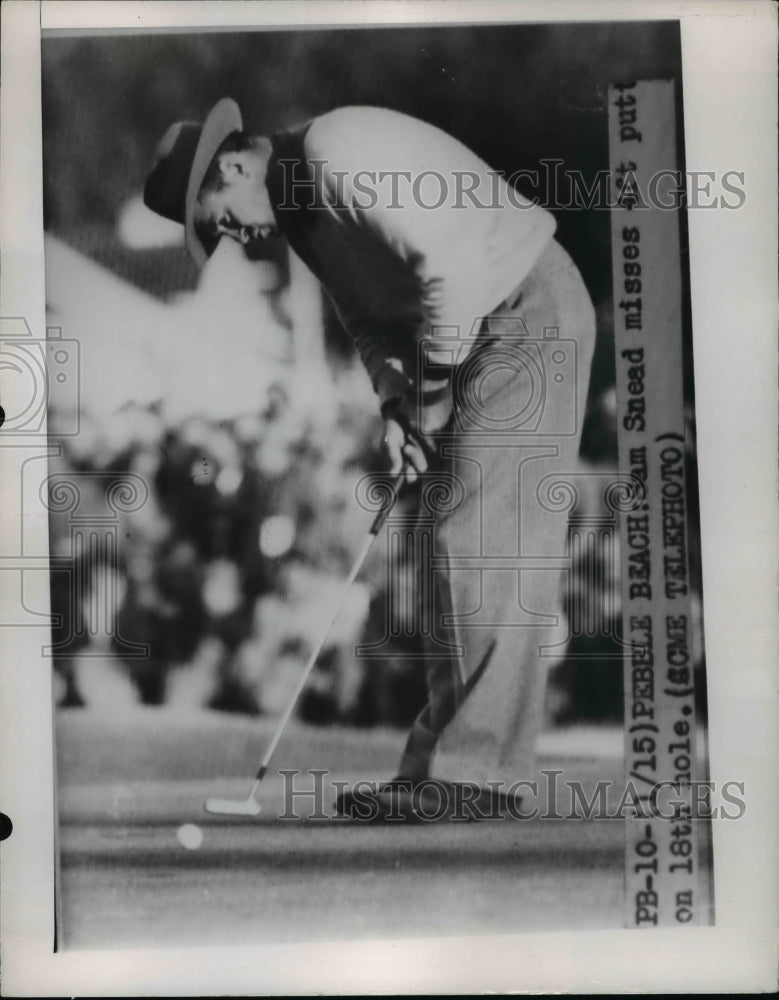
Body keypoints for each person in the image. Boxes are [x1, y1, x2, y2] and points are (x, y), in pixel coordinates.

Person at [145, 98, 596, 820]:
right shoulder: (303, 216)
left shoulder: (338, 153)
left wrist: (430, 394)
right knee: (444, 545)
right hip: (477, 329)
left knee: (479, 536)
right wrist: (396, 406)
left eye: (219, 216)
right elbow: (365, 319)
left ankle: (477, 774)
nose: (232, 235)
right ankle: (442, 768)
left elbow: (448, 271)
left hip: (527, 307)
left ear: (233, 163)